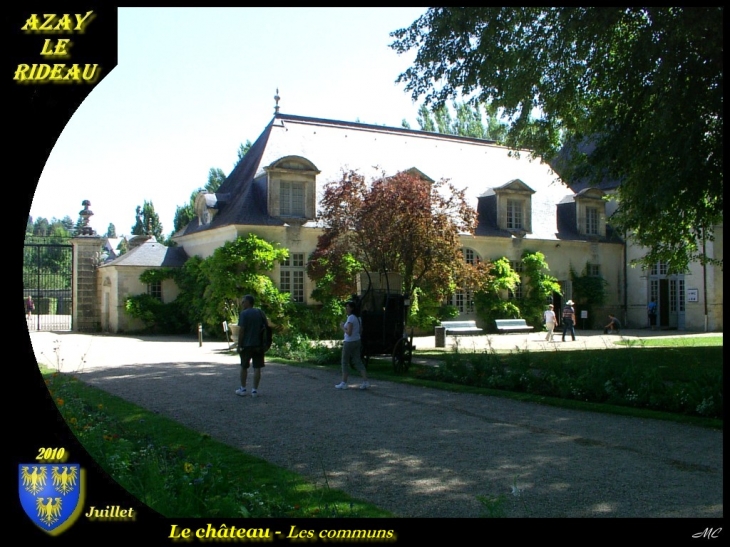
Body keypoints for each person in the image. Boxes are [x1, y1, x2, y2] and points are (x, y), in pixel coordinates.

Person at [235, 295, 268, 398]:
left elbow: (241, 331)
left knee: (244, 366)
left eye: (243, 302)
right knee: (257, 367)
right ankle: (254, 390)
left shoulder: (244, 314)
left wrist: (239, 345)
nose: (242, 304)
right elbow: (266, 327)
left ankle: (243, 389)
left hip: (247, 344)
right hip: (258, 344)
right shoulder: (260, 313)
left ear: (248, 302)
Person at [335, 300, 369, 390]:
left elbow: (349, 332)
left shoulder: (351, 318)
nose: (346, 309)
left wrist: (342, 327)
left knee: (344, 362)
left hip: (349, 342)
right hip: (357, 341)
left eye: (348, 307)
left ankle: (344, 382)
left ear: (352, 308)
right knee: (357, 361)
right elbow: (360, 330)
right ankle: (365, 381)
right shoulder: (358, 318)